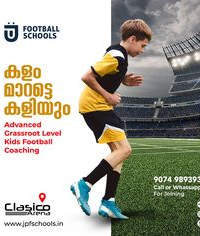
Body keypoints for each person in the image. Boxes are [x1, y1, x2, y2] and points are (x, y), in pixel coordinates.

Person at [71, 19, 152, 219]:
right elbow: (87, 76)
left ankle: (108, 202)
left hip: (98, 106)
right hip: (95, 106)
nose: (142, 50)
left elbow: (104, 74)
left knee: (119, 153)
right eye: (142, 45)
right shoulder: (117, 57)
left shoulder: (118, 56)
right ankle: (84, 184)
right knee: (125, 149)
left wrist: (123, 79)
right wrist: (108, 96)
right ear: (133, 39)